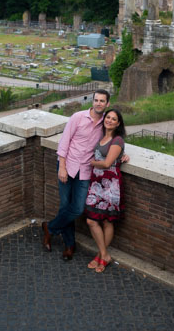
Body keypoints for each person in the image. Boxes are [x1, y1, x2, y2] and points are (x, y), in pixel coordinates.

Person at [41, 90, 110, 261]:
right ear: (92, 101)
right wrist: (62, 167)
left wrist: (122, 153)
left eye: (102, 101)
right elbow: (64, 142)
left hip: (85, 171)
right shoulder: (77, 117)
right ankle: (70, 245)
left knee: (78, 208)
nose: (99, 103)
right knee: (65, 206)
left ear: (107, 104)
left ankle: (50, 228)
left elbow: (112, 142)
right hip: (67, 165)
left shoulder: (105, 124)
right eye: (96, 100)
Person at [84, 108, 125, 273]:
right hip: (96, 183)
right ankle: (104, 254)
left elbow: (108, 163)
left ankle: (100, 256)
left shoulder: (117, 140)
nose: (109, 120)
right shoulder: (101, 137)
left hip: (110, 184)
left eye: (113, 119)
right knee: (91, 220)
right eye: (108, 117)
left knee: (107, 221)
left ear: (118, 123)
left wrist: (92, 163)